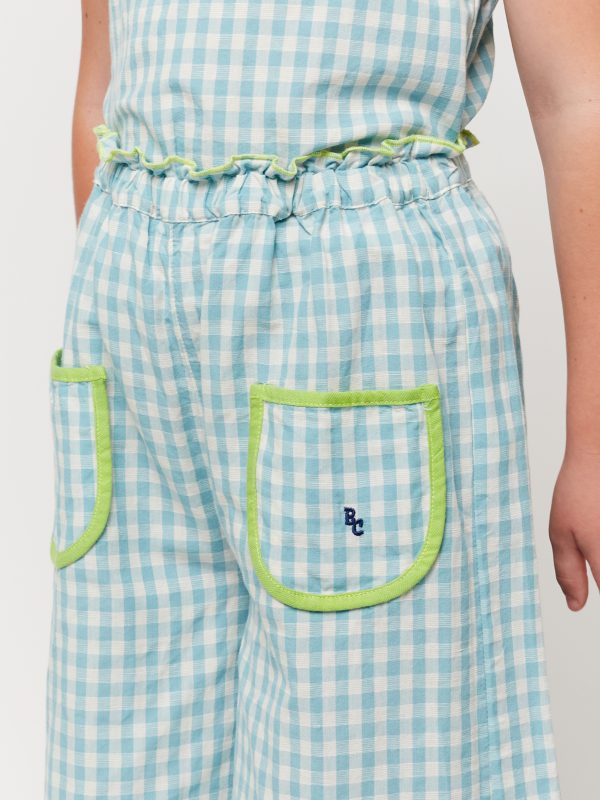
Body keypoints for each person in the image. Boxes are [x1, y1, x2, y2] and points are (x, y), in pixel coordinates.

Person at [45, 1, 599, 798]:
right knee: (127, 744)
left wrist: (593, 439)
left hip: (357, 322)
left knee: (366, 756)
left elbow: (580, 98)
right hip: (133, 331)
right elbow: (102, 82)